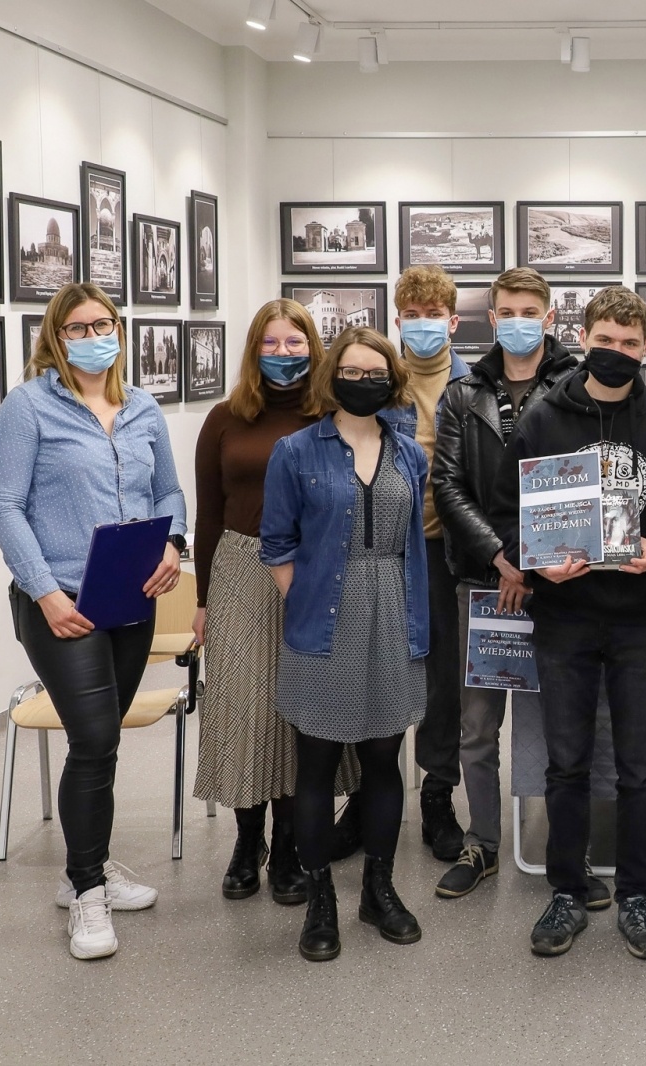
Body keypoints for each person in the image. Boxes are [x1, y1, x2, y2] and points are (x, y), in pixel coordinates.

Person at [490, 286, 646, 960]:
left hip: (639, 622)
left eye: (629, 343)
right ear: (584, 338)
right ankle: (566, 890)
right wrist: (532, 563)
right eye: (605, 340)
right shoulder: (541, 421)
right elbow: (507, 511)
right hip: (563, 619)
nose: (615, 353)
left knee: (640, 768)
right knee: (566, 764)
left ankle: (638, 896)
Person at [0, 282, 187, 960]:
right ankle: (87, 894)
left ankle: (91, 868)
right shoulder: (27, 409)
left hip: (131, 594)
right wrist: (44, 592)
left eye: (104, 323)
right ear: (56, 336)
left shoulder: (141, 408)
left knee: (100, 745)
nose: (95, 335)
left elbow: (168, 490)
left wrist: (174, 544)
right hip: (61, 601)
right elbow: (5, 509)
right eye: (78, 327)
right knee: (96, 738)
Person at [261, 326, 430, 962]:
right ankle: (322, 899)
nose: (365, 381)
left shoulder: (408, 452)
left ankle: (379, 889)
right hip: (323, 622)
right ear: (333, 376)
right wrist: (305, 599)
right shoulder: (296, 451)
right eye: (352, 372)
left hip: (394, 614)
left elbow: (413, 540)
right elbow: (277, 543)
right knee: (318, 764)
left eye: (375, 372)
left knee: (385, 759)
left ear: (392, 379)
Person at [428, 266, 595, 902]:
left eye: (532, 309)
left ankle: (565, 852)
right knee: (477, 725)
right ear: (491, 318)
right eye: (507, 310)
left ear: (549, 317)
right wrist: (501, 557)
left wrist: (534, 560)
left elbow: (580, 479)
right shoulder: (462, 392)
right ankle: (483, 843)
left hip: (561, 581)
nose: (519, 319)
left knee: (563, 723)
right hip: (483, 580)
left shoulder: (577, 384)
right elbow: (447, 484)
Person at [192, 299, 359, 905]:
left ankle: (289, 844)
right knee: (243, 707)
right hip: (239, 570)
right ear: (252, 350)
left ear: (314, 350)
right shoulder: (224, 419)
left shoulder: (334, 417)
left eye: (295, 343)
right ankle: (247, 840)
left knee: (300, 713)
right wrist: (206, 600)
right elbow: (207, 514)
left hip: (314, 572)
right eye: (271, 343)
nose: (283, 354)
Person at [391, 265, 473, 863]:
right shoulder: (376, 377)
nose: (422, 325)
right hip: (384, 548)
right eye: (411, 314)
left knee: (445, 678)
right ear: (399, 318)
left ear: (453, 319)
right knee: (380, 670)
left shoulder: (474, 385)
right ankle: (374, 791)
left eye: (432, 314)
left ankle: (439, 793)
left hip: (447, 549)